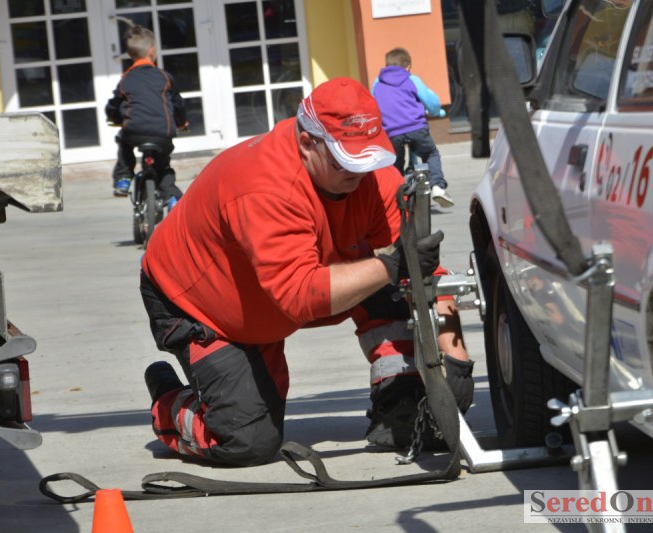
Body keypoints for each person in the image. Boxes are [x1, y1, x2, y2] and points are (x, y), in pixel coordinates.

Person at [139, 77, 475, 467]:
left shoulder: (374, 175)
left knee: (396, 277)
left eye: (368, 158)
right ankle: (169, 403)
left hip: (273, 296)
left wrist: (454, 362)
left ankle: (399, 402)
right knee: (246, 441)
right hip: (201, 305)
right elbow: (300, 297)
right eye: (346, 160)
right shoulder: (264, 186)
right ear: (307, 143)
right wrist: (390, 265)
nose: (359, 172)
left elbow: (423, 275)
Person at [105, 25, 187, 209]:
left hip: (135, 132)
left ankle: (123, 179)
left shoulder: (126, 79)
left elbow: (114, 104)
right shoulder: (165, 77)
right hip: (162, 133)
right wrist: (182, 122)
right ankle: (172, 198)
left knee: (124, 141)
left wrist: (113, 118)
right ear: (152, 51)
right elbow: (178, 104)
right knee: (163, 166)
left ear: (130, 54)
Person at [371, 47, 454, 208]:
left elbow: (372, 105)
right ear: (408, 66)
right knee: (430, 154)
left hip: (392, 132)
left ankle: (395, 195)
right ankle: (437, 187)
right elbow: (430, 101)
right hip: (416, 128)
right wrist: (435, 111)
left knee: (395, 164)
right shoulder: (412, 79)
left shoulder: (377, 83)